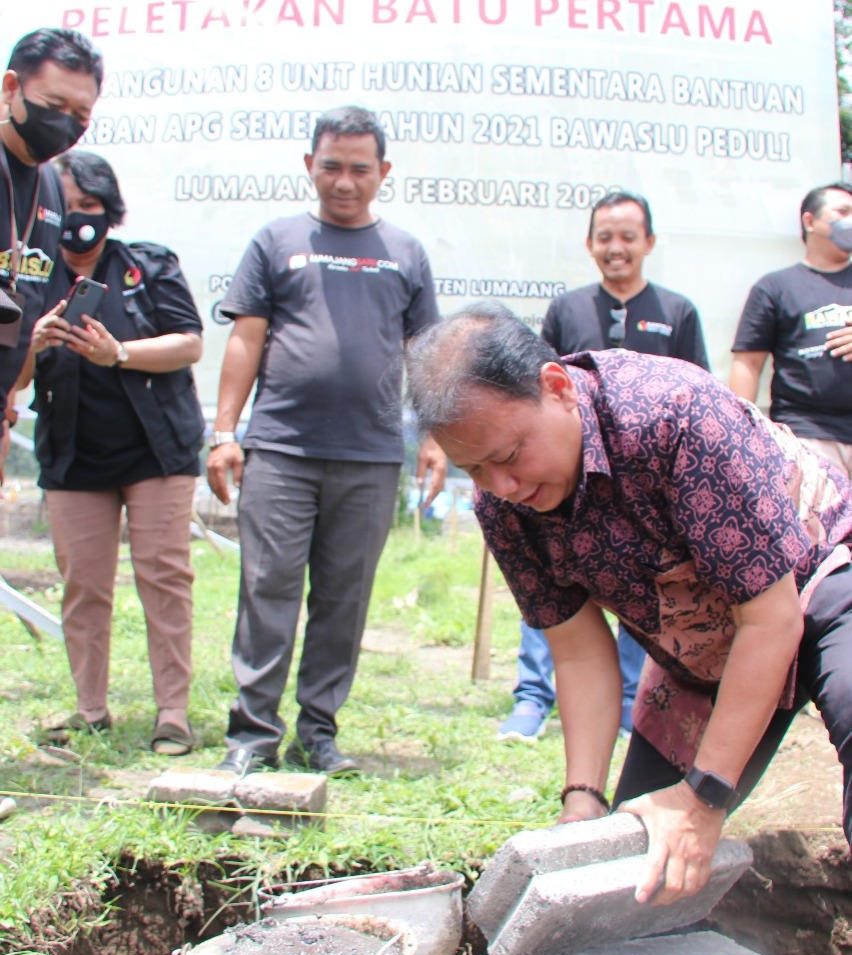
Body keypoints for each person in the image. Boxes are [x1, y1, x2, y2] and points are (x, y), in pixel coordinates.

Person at [406, 300, 852, 906]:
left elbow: (770, 619)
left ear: (557, 387)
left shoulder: (674, 415)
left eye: (509, 457)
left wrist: (706, 796)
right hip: (703, 644)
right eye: (475, 470)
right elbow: (580, 652)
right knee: (641, 859)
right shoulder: (504, 507)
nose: (502, 487)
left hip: (822, 571)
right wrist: (581, 796)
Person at [207, 105, 445, 778]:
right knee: (268, 589)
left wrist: (433, 437)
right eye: (331, 165)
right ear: (310, 165)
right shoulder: (276, 239)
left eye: (359, 168)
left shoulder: (405, 252)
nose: (344, 181)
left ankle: (318, 732)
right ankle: (253, 735)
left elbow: (424, 352)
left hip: (371, 456)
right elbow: (246, 336)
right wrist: (226, 433)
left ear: (383, 172)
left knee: (344, 599)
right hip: (280, 448)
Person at [499, 191, 710, 743]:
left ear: (649, 243)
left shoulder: (677, 310)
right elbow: (532, 395)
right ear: (590, 244)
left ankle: (627, 706)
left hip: (647, 490)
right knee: (550, 586)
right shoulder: (568, 309)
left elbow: (698, 391)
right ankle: (532, 698)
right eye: (605, 237)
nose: (616, 248)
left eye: (628, 237)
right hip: (567, 488)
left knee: (648, 592)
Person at [22, 150, 204, 754]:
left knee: (164, 576)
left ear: (110, 209)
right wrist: (34, 341)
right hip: (73, 456)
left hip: (156, 450)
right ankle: (89, 708)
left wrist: (118, 353)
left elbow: (188, 344)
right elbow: (15, 379)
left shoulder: (147, 266)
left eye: (91, 208)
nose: (79, 220)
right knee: (84, 583)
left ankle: (172, 712)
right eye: (67, 208)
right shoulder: (30, 276)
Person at [0, 28, 102, 484]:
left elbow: (27, 303)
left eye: (81, 113)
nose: (66, 123)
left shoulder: (52, 189)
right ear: (11, 88)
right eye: (55, 106)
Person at [730, 181, 852, 478]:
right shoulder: (775, 287)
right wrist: (739, 439)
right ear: (810, 221)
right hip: (806, 436)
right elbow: (748, 363)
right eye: (843, 211)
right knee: (818, 526)